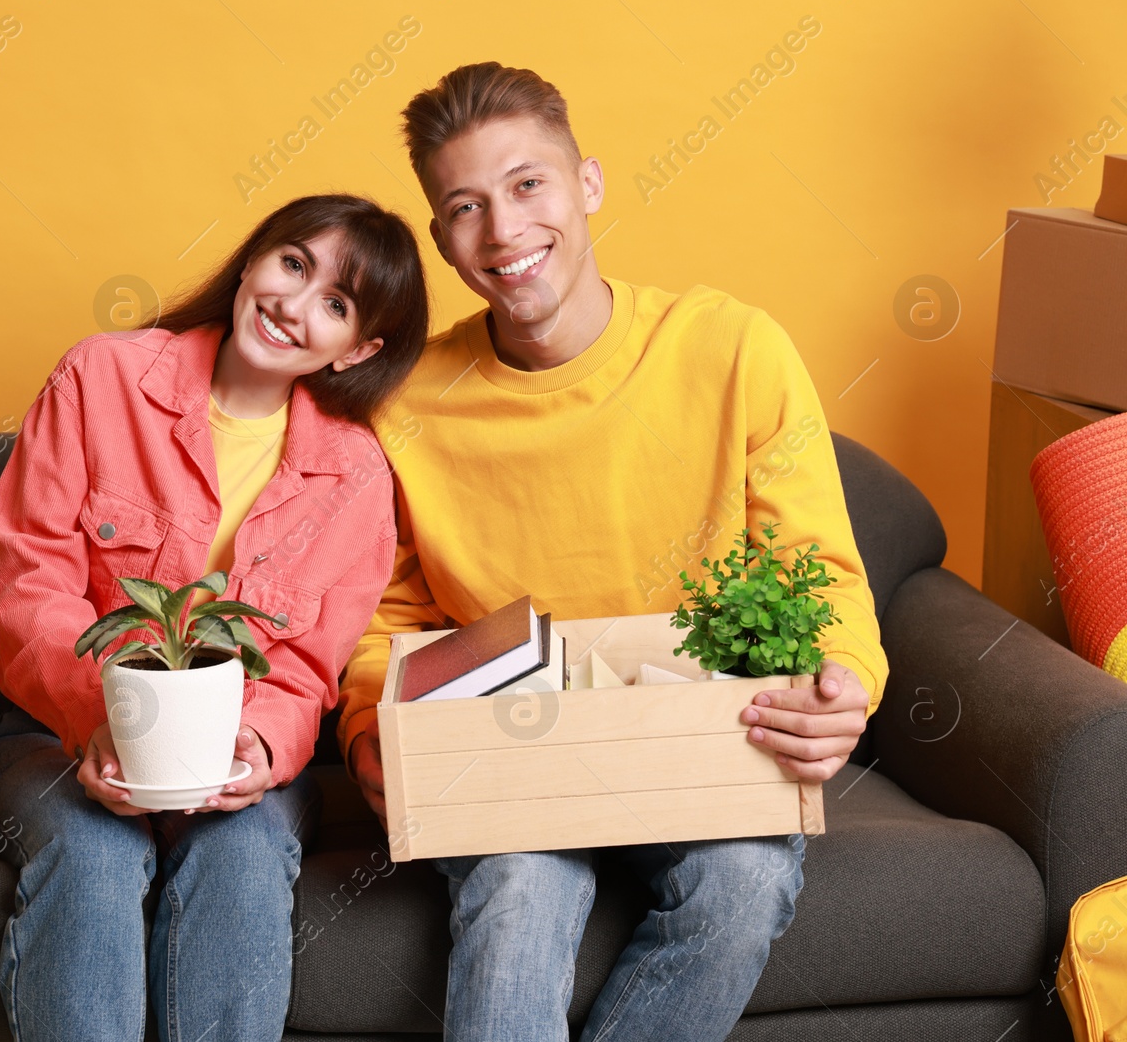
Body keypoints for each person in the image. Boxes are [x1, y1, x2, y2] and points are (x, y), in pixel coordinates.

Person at [337, 63, 889, 1041]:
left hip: (702, 736)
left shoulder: (731, 348)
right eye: (464, 207)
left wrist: (841, 679)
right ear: (439, 240)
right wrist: (371, 726)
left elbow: (821, 572)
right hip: (506, 746)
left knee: (746, 878)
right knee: (514, 894)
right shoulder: (406, 400)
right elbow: (386, 616)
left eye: (527, 185)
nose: (503, 231)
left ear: (586, 184)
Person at [0, 193, 430, 1041]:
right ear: (253, 259)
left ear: (359, 348)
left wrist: (257, 748)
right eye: (292, 265)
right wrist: (105, 726)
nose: (294, 306)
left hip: (230, 754)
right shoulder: (100, 378)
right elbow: (29, 582)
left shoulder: (357, 476)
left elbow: (305, 665)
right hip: (51, 727)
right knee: (96, 851)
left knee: (247, 855)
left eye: (335, 303)